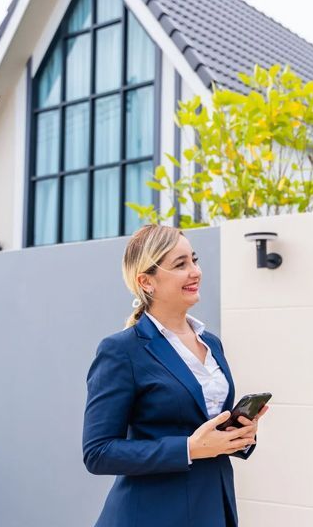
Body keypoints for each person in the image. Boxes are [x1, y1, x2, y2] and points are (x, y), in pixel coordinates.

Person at [83, 224, 266, 527]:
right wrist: (188, 448)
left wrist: (241, 435)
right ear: (146, 281)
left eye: (194, 260)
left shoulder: (212, 343)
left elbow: (206, 427)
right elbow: (98, 452)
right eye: (180, 264)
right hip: (151, 515)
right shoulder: (121, 350)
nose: (195, 271)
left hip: (214, 508)